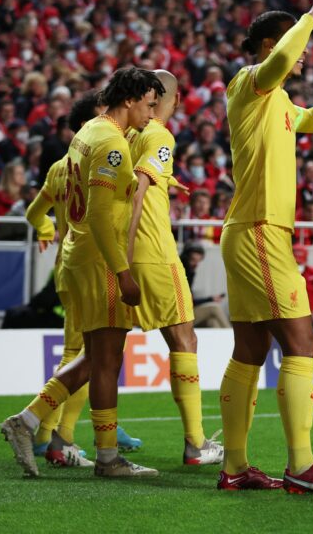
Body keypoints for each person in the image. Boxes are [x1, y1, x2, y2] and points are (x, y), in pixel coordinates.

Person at [218, 0, 313, 494]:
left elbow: (311, 118)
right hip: (258, 231)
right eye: (301, 45)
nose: (305, 55)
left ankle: (234, 467)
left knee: (250, 351)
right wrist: (308, 20)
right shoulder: (248, 81)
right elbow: (278, 62)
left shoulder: (276, 99)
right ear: (271, 44)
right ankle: (301, 466)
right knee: (302, 345)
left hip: (252, 230)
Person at [1, 67, 165, 478]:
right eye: (149, 103)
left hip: (76, 258)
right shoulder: (112, 143)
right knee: (105, 360)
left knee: (96, 357)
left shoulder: (89, 131)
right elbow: (98, 214)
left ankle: (31, 421)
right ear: (129, 100)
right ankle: (104, 457)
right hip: (98, 261)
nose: (153, 113)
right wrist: (123, 272)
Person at [23, 92, 143, 466]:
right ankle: (54, 435)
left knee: (81, 354)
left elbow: (33, 211)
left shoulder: (59, 167)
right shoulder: (101, 152)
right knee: (91, 355)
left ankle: (56, 433)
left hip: (66, 268)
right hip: (94, 264)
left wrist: (44, 229)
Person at [125, 69, 223, 466]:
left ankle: (43, 425)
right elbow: (137, 190)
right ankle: (196, 444)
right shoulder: (161, 135)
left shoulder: (127, 133)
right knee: (185, 341)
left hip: (118, 252)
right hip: (153, 252)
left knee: (102, 349)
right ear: (176, 100)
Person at [180, 243, 231, 328]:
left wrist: (211, 299)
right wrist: (210, 299)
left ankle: (228, 340)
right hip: (183, 316)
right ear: (186, 257)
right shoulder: (182, 273)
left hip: (188, 313)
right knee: (214, 308)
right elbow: (188, 301)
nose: (196, 264)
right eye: (193, 260)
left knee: (212, 322)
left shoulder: (190, 272)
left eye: (198, 261)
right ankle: (232, 336)